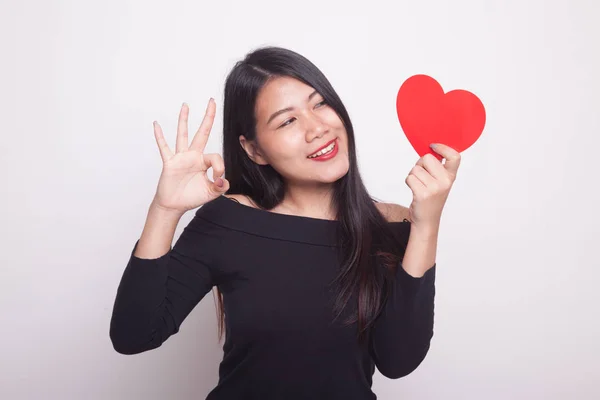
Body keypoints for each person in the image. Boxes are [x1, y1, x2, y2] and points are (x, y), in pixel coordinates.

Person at [109, 46, 461, 399]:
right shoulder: (229, 220)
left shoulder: (394, 224)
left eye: (320, 103)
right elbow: (134, 335)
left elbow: (398, 360)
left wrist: (426, 225)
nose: (317, 128)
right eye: (287, 120)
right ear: (254, 150)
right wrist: (165, 210)